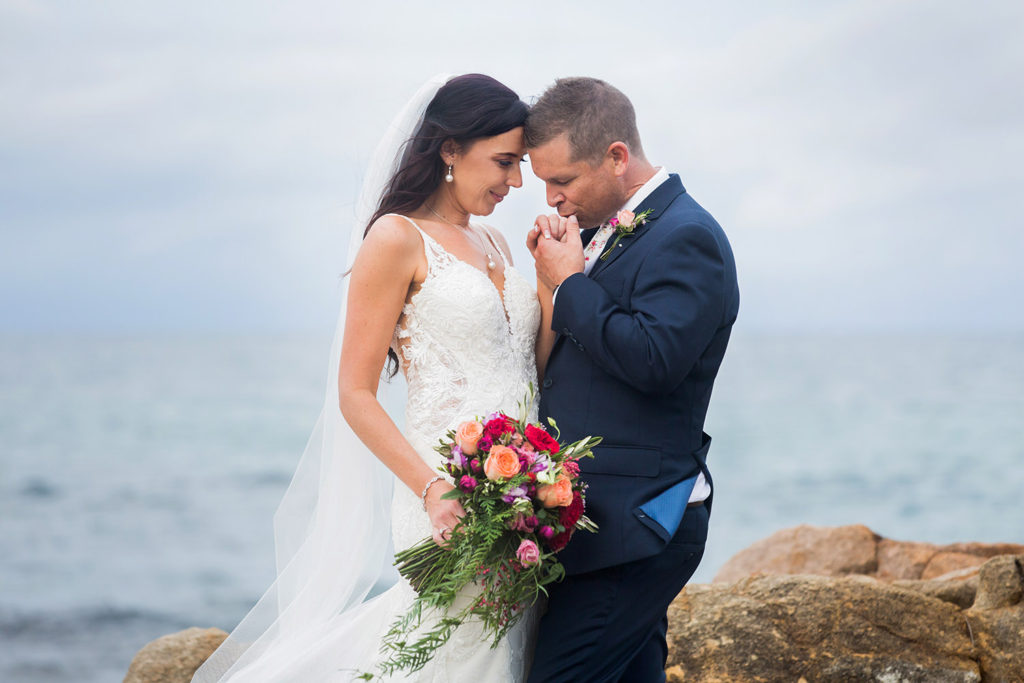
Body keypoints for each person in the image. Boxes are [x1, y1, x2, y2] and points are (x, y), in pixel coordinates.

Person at [191, 73, 540, 682]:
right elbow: (354, 392)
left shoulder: (497, 242)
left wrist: (557, 282)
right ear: (450, 149)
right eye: (505, 163)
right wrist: (433, 488)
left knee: (504, 649)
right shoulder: (396, 237)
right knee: (454, 653)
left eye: (520, 166)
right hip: (447, 493)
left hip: (525, 493)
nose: (516, 182)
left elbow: (527, 363)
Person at [525, 77, 740, 682]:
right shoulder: (606, 231)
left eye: (562, 181)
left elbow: (654, 360)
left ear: (617, 157)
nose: (552, 198)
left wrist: (570, 284)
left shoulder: (687, 236)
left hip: (640, 525)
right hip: (601, 528)